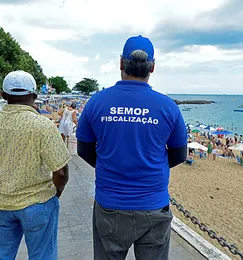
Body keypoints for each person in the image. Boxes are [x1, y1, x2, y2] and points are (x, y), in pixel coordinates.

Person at [76, 35, 188, 260]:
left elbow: (84, 150)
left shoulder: (97, 102)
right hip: (154, 206)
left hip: (110, 205)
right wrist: (150, 166)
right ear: (153, 67)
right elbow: (178, 154)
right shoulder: (168, 107)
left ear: (120, 64)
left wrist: (109, 164)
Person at [0, 71, 71, 260]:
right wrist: (57, 192)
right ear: (34, 96)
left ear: (3, 95)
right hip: (37, 203)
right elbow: (61, 171)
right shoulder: (43, 126)